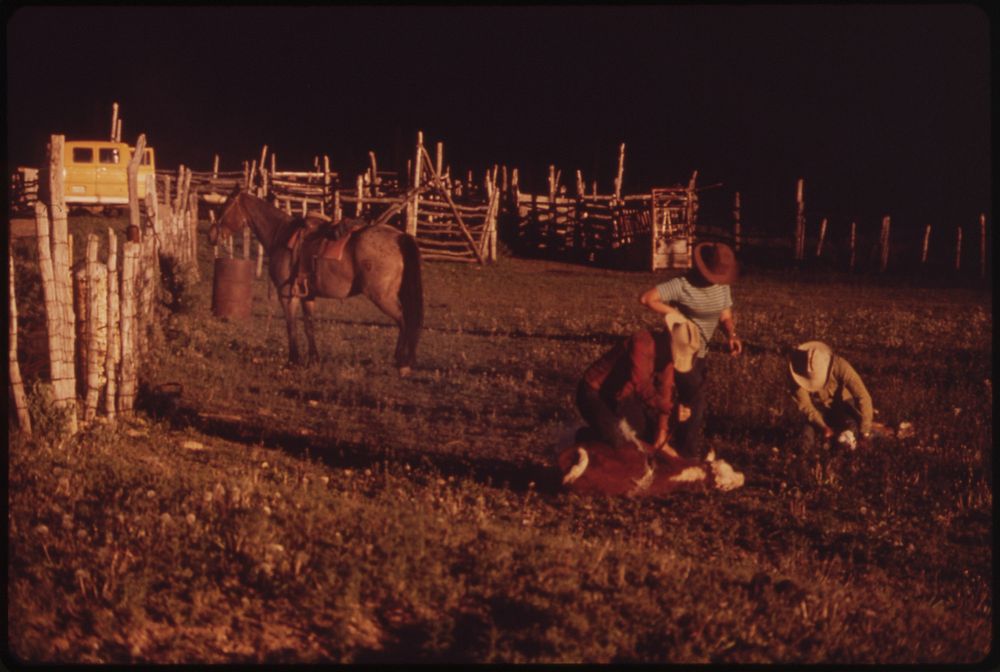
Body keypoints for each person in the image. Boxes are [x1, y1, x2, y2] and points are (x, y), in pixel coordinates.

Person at [639, 241, 742, 459]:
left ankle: (667, 440)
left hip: (700, 353)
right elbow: (647, 298)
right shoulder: (683, 284)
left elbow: (725, 315)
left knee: (686, 401)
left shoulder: (722, 286)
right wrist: (676, 315)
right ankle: (688, 453)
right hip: (679, 352)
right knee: (696, 399)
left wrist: (731, 334)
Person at [575, 313, 700, 458]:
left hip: (622, 397)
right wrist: (671, 409)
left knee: (643, 437)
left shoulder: (667, 360)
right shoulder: (641, 343)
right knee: (618, 441)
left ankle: (601, 433)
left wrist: (661, 433)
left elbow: (665, 391)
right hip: (593, 392)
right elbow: (641, 385)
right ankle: (585, 438)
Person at [786, 340, 874, 453]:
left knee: (852, 426)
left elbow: (862, 395)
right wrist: (823, 427)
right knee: (806, 435)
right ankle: (803, 458)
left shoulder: (840, 366)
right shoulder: (796, 374)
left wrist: (865, 431)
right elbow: (806, 406)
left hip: (843, 404)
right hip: (817, 409)